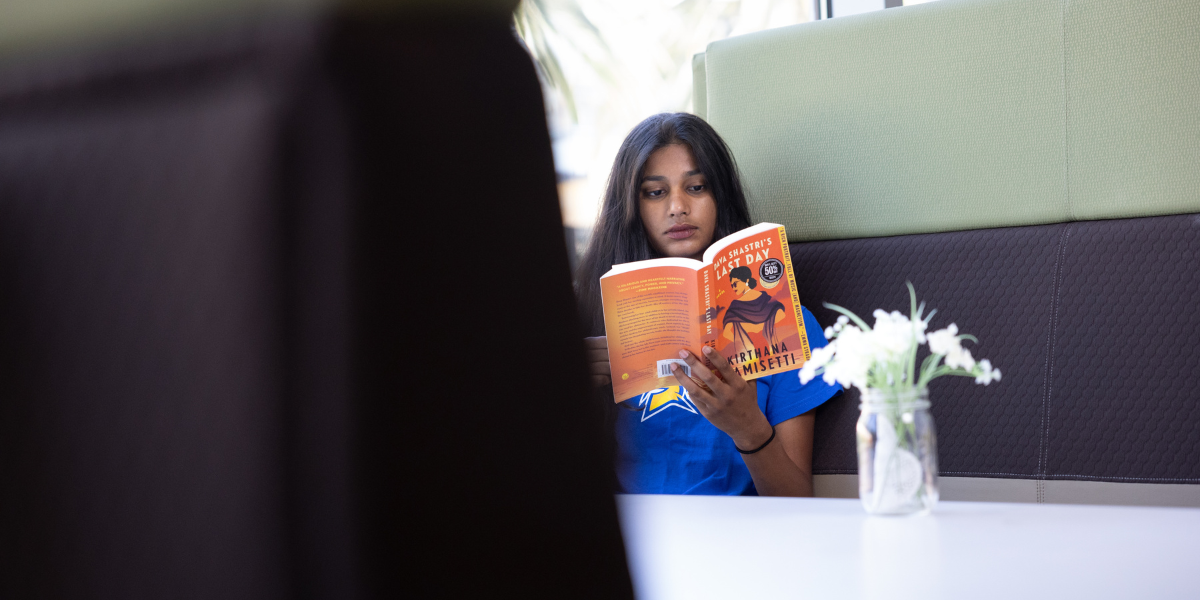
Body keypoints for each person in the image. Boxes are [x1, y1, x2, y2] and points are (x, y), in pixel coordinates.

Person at [575, 112, 842, 497]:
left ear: (721, 196)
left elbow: (796, 500)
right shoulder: (587, 317)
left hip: (735, 542)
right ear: (631, 208)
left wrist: (747, 426)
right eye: (655, 192)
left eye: (696, 187)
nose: (678, 207)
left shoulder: (790, 325)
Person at [722, 265, 788, 353]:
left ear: (746, 280)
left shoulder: (735, 305)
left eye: (735, 283)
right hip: (769, 347)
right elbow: (781, 314)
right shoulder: (765, 298)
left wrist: (741, 341)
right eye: (732, 285)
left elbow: (726, 333)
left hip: (750, 351)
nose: (733, 288)